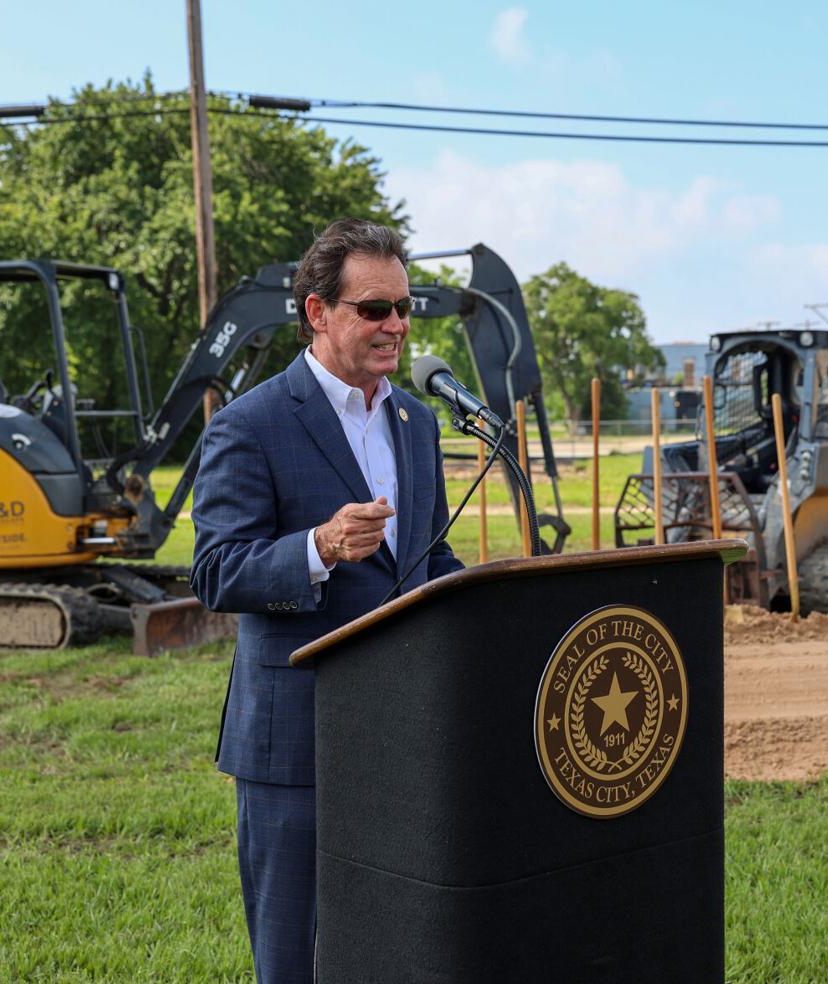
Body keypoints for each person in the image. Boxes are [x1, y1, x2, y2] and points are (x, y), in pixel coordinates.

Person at [190, 219, 463, 983]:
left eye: (405, 308)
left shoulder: (417, 422)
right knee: (296, 955)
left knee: (393, 940)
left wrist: (482, 599)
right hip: (296, 743)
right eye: (375, 309)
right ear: (318, 313)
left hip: (404, 733)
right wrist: (319, 547)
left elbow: (427, 558)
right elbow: (215, 571)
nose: (397, 325)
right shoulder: (251, 424)